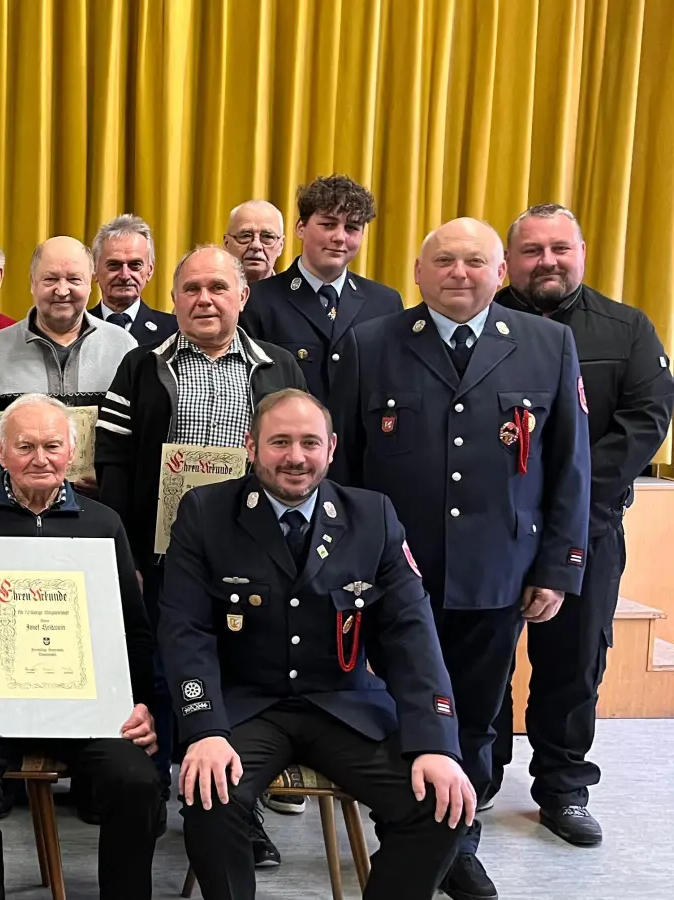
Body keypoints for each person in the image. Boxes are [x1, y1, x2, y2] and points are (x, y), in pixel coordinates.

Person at [328, 217, 590, 900]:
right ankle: (410, 836)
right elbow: (345, 471)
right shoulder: (369, 345)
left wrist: (558, 568)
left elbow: (569, 468)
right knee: (394, 712)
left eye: (476, 261)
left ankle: (458, 845)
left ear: (500, 272)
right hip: (391, 577)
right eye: (443, 260)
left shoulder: (547, 344)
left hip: (496, 572)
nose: (459, 273)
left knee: (475, 717)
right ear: (418, 272)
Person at [161, 388, 474, 899]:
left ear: (331, 448)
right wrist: (203, 728)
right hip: (246, 707)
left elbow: (409, 634)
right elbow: (184, 630)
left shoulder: (372, 516)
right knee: (209, 796)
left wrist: (436, 743)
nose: (295, 458)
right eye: (279, 442)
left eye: (309, 442)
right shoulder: (206, 512)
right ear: (250, 447)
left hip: (342, 703)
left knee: (440, 804)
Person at [95, 245, 304, 859]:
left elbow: (300, 457)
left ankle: (238, 807)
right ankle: (157, 794)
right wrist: (126, 550)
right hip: (164, 553)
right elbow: (111, 462)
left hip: (256, 553)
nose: (204, 299)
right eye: (191, 289)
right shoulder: (140, 365)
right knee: (163, 672)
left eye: (218, 287)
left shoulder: (279, 367)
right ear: (175, 298)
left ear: (242, 297)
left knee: (243, 676)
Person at [0, 394, 162, 900]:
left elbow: (133, 631)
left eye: (52, 446)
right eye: (25, 446)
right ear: (2, 453)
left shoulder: (103, 524)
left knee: (136, 780)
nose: (40, 458)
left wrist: (141, 703)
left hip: (87, 708)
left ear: (71, 452)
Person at [489, 204, 674, 846]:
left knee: (572, 664)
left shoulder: (626, 330)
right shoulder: (476, 324)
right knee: (478, 658)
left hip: (586, 530)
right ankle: (480, 777)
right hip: (490, 530)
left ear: (582, 251)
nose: (548, 261)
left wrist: (569, 510)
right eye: (533, 250)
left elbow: (644, 423)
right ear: (509, 260)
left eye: (560, 248)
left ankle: (563, 788)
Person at [240, 175, 403, 407]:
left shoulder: (385, 303)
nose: (339, 237)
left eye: (352, 227)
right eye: (328, 224)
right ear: (300, 228)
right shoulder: (258, 300)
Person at [0, 235, 137, 406]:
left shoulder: (123, 348)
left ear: (90, 284)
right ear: (32, 283)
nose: (62, 291)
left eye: (74, 279)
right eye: (50, 279)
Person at [88, 214, 178, 348]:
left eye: (135, 265)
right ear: (94, 270)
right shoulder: (77, 328)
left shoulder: (174, 330)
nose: (125, 275)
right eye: (114, 265)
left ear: (150, 271)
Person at [221, 200, 286, 284]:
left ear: (281, 246)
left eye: (267, 236)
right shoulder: (205, 294)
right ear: (226, 243)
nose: (256, 245)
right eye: (245, 236)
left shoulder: (296, 295)